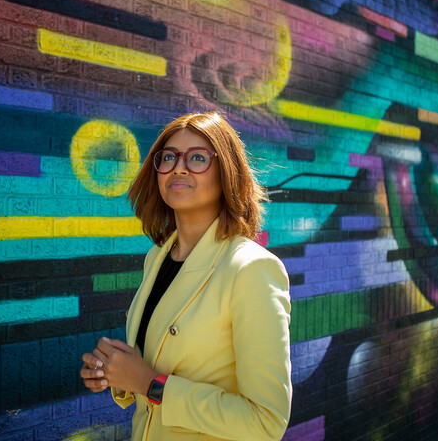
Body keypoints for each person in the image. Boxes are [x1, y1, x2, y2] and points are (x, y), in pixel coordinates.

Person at [79, 112, 292, 440]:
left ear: (227, 173)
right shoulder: (156, 258)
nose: (178, 167)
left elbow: (265, 422)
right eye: (167, 157)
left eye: (197, 157)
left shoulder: (251, 270)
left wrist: (148, 384)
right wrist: (117, 374)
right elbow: (153, 370)